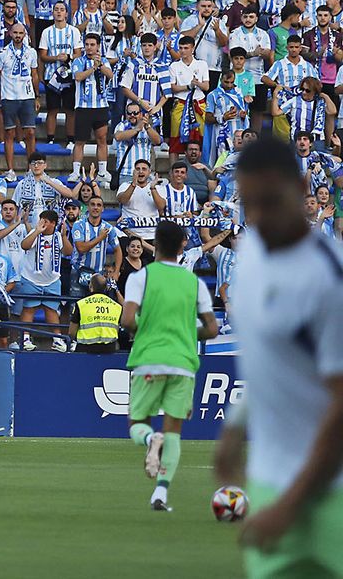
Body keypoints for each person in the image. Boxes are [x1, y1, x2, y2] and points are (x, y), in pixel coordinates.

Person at [216, 136, 343, 575]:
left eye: (270, 201)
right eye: (249, 203)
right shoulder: (249, 254)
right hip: (269, 480)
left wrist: (292, 505)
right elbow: (274, 360)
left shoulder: (330, 279)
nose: (259, 216)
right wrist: (235, 429)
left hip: (332, 495)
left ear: (304, 185)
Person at [119, 219, 220, 511]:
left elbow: (127, 320)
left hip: (149, 357)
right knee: (174, 430)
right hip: (184, 362)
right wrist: (187, 331)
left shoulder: (142, 277)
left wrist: (148, 328)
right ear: (182, 246)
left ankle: (152, 439)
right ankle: (160, 494)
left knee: (138, 424)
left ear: (156, 245)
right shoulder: (194, 282)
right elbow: (212, 329)